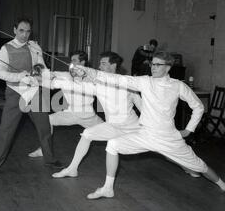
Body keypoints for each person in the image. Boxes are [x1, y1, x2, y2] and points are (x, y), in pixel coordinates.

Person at [75, 52, 225, 199]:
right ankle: (108, 189)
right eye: (152, 64)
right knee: (113, 144)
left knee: (201, 167)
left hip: (168, 138)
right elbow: (118, 79)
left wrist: (188, 130)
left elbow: (198, 106)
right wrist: (89, 71)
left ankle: (222, 184)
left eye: (158, 65)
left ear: (168, 68)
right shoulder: (145, 81)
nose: (153, 67)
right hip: (145, 134)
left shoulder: (178, 86)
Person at [0, 17, 63, 176]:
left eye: (28, 31)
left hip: (34, 91)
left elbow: (41, 66)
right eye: (21, 30)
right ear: (14, 30)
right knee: (6, 130)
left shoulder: (34, 46)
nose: (24, 34)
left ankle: (49, 159)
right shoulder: (5, 48)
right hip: (15, 93)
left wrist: (39, 73)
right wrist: (20, 77)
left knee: (44, 126)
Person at [52, 51, 141, 179]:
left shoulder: (128, 84)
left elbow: (142, 107)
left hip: (133, 127)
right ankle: (72, 169)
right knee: (87, 134)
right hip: (113, 126)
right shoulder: (98, 83)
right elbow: (80, 84)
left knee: (166, 148)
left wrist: (149, 125)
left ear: (114, 65)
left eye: (103, 63)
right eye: (100, 64)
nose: (100, 67)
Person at [28, 50, 103, 158]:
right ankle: (43, 149)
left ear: (82, 63)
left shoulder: (91, 77)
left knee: (111, 134)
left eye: (74, 60)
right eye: (71, 60)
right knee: (47, 121)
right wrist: (38, 54)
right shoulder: (66, 75)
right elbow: (46, 74)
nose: (70, 63)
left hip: (88, 116)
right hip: (70, 114)